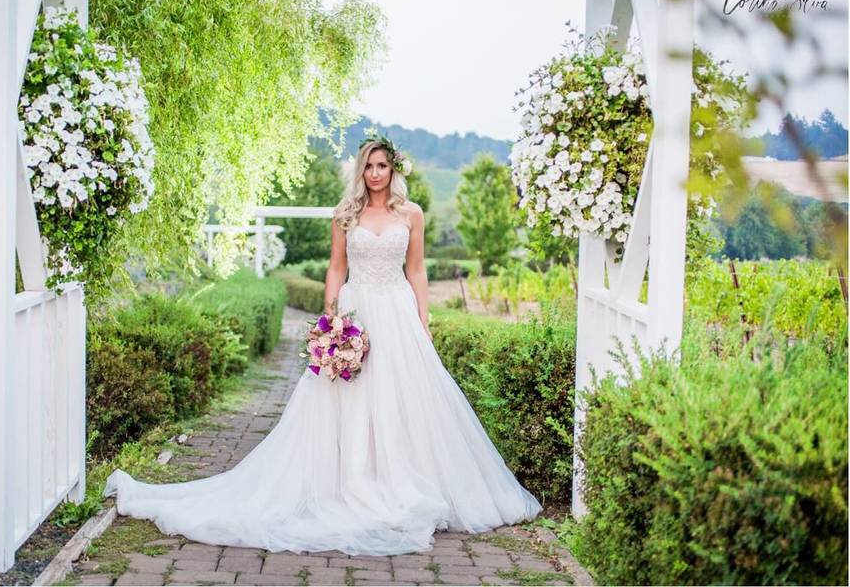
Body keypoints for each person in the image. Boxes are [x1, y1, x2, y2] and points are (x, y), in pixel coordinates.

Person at [104, 135, 543, 556]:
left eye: (382, 166)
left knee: (403, 399)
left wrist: (423, 322)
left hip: (396, 313)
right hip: (355, 312)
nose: (375, 173)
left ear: (394, 169)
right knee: (346, 399)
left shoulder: (412, 214)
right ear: (360, 170)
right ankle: (346, 480)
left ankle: (404, 480)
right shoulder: (344, 213)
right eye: (368, 166)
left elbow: (418, 270)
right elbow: (336, 268)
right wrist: (331, 317)